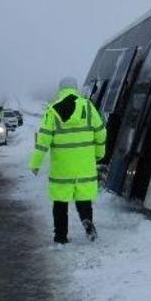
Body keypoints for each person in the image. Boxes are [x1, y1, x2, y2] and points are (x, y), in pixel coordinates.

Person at [29, 77, 106, 244]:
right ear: (75, 88)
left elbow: (43, 140)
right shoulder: (87, 107)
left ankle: (60, 236)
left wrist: (35, 164)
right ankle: (88, 223)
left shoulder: (53, 110)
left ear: (60, 89)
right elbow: (101, 133)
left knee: (60, 203)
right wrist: (99, 154)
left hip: (62, 168)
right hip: (84, 166)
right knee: (84, 198)